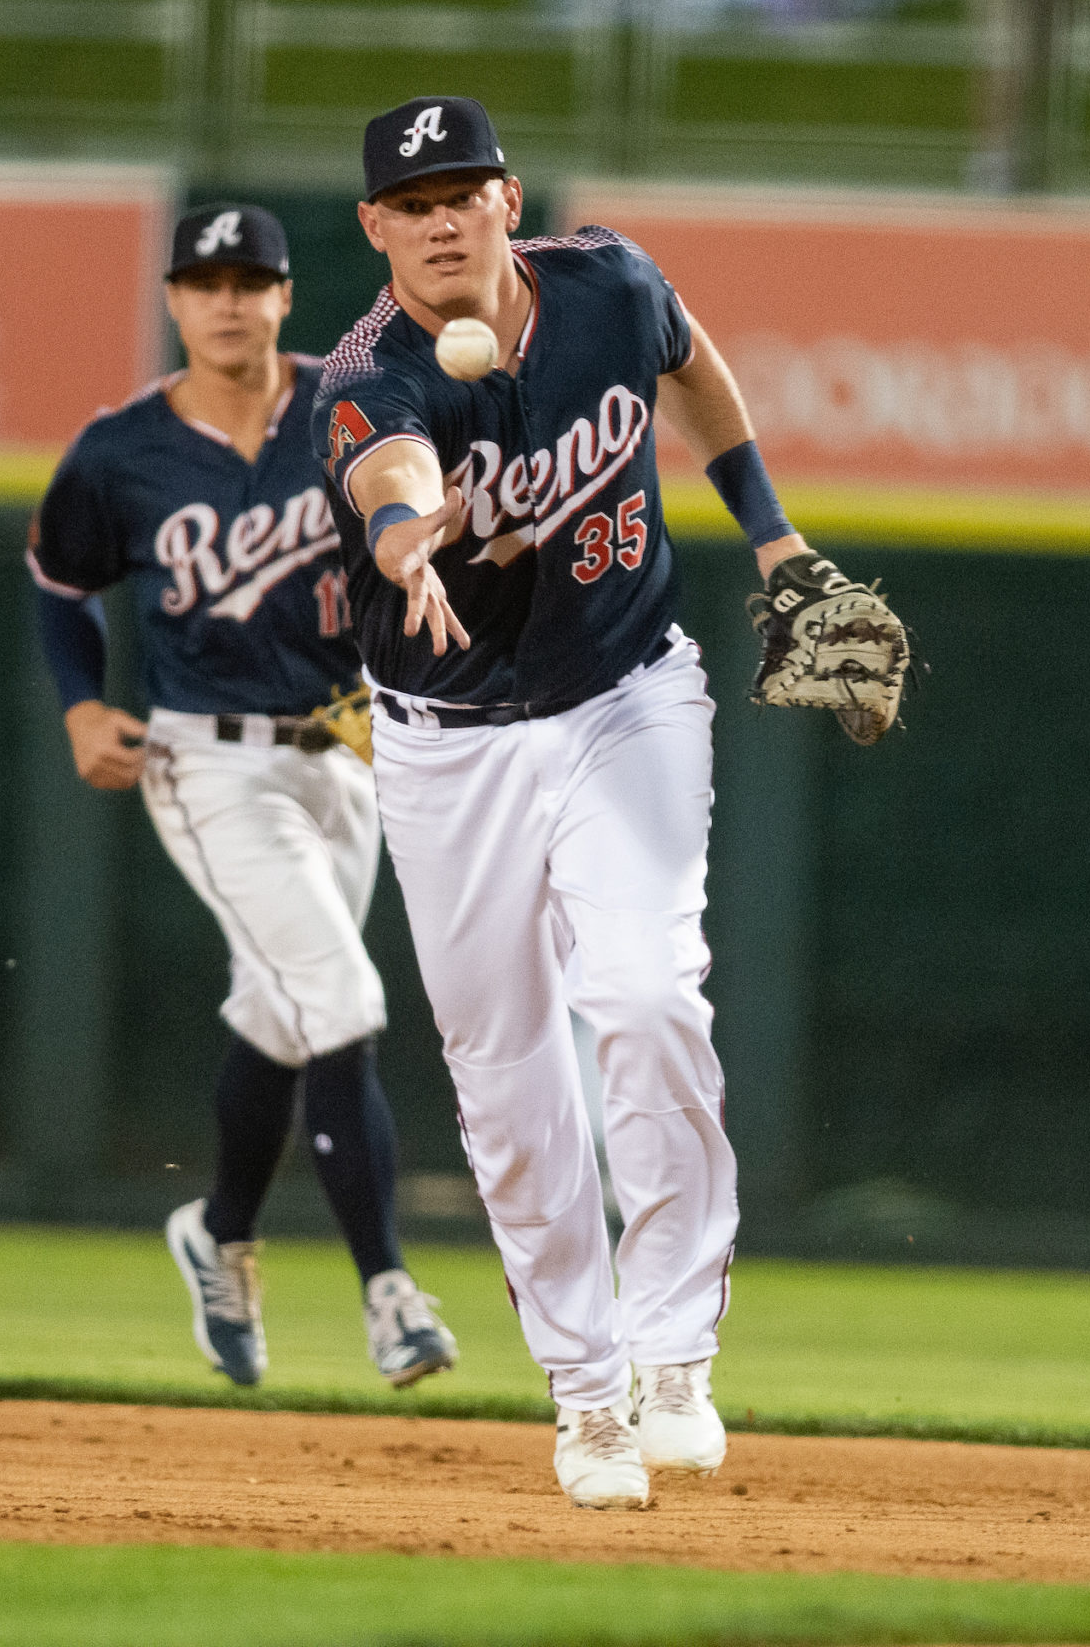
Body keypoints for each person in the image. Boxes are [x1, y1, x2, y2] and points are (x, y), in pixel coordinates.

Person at [312, 97, 822, 1510]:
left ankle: (672, 1357)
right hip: (447, 744)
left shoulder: (607, 281)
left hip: (625, 696)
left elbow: (692, 367)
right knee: (509, 1078)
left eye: (460, 191)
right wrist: (414, 531)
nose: (437, 218)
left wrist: (770, 530)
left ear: (506, 200)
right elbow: (386, 469)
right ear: (374, 227)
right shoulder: (365, 373)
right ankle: (586, 1394)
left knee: (652, 994)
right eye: (409, 202)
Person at [27, 201, 457, 1393]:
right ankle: (390, 1294)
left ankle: (217, 1229)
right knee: (341, 991)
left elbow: (415, 516)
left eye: (247, 280)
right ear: (174, 300)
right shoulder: (120, 450)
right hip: (204, 762)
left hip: (343, 753)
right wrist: (77, 701)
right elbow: (60, 582)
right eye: (202, 280)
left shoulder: (344, 407)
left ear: (282, 295)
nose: (225, 300)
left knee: (281, 1008)